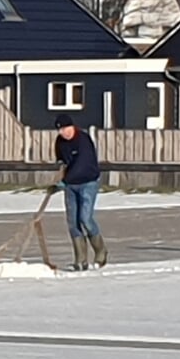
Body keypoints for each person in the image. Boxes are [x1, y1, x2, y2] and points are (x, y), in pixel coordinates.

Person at [54, 115, 105, 269]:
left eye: (65, 129)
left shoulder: (83, 140)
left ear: (72, 126)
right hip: (70, 186)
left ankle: (101, 251)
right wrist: (59, 175)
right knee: (73, 223)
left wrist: (65, 180)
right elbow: (62, 160)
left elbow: (82, 165)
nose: (64, 132)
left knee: (85, 219)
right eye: (60, 130)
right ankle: (80, 259)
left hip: (87, 182)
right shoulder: (60, 142)